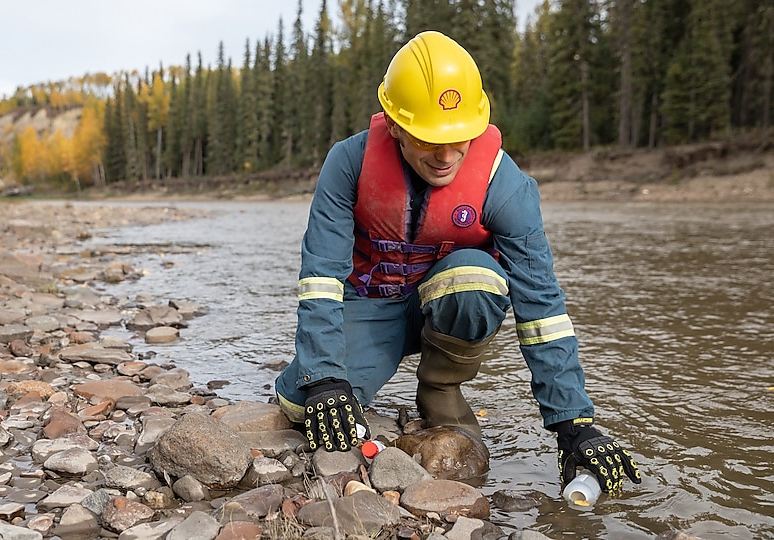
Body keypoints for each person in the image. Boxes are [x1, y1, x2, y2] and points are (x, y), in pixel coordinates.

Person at [274, 30, 642, 494]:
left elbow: (542, 310)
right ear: (395, 126)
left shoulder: (506, 187)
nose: (446, 156)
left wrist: (574, 425)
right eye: (430, 139)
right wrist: (324, 375)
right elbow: (320, 279)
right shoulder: (347, 163)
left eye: (459, 137)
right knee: (299, 406)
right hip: (371, 304)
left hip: (448, 305)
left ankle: (440, 389)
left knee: (477, 276)